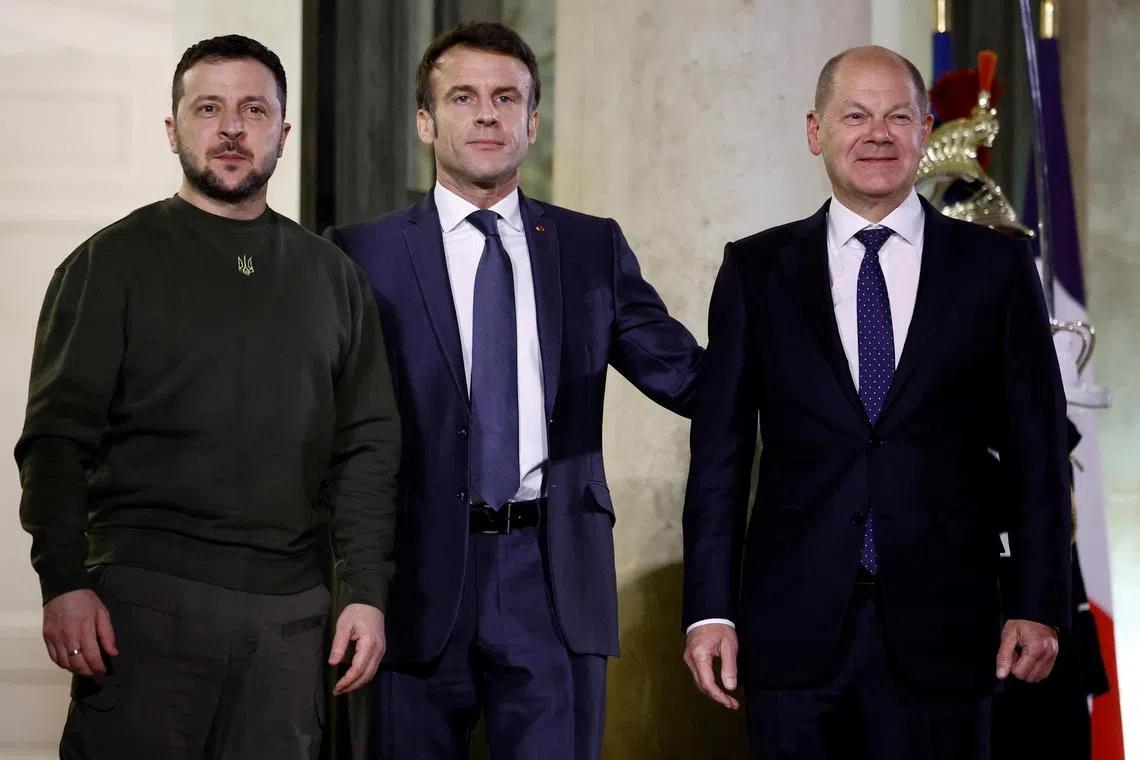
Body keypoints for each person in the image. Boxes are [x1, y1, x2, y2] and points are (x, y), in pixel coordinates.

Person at [15, 34, 399, 760]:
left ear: (283, 133)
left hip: (291, 620)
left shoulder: (333, 279)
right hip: (143, 608)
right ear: (173, 129)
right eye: (208, 108)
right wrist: (63, 580)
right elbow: (56, 442)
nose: (231, 128)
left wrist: (365, 591)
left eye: (254, 110)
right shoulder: (110, 263)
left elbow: (369, 449)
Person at [680, 45, 1071, 759]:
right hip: (790, 630)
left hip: (949, 632)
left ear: (926, 129)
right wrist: (708, 611)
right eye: (855, 115)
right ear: (815, 131)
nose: (878, 133)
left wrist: (1038, 602)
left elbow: (1037, 451)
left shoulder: (997, 269)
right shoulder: (756, 269)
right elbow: (720, 459)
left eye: (898, 116)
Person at [325, 20, 702, 760]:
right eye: (463, 98)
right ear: (426, 122)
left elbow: (687, 376)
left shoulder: (591, 247)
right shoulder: (360, 253)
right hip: (413, 580)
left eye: (506, 98)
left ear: (533, 121)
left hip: (553, 579)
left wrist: (811, 372)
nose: (487, 114)